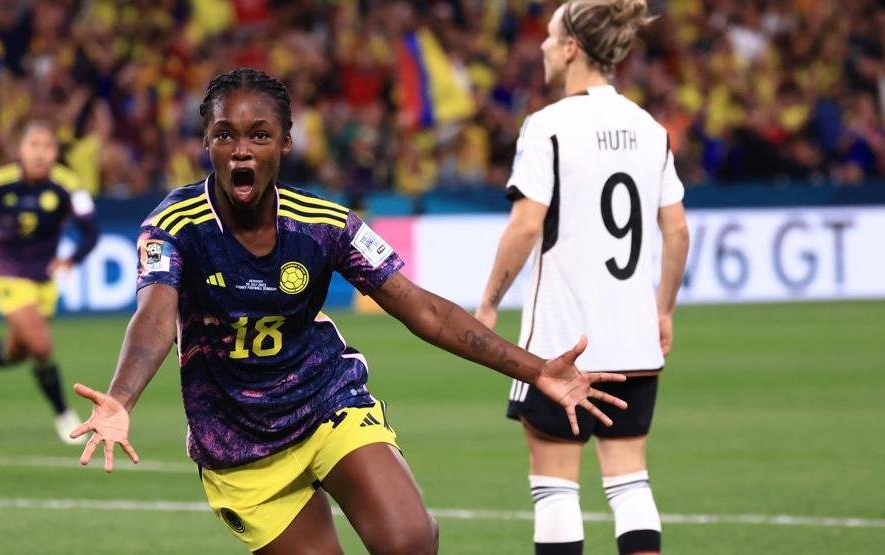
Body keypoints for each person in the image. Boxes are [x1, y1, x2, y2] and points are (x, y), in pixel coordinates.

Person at [67, 68, 630, 555]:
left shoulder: (324, 223)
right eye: (225, 135)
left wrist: (536, 370)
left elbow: (422, 310)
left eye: (259, 135)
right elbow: (156, 318)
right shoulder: (174, 226)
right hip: (237, 442)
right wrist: (121, 398)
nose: (242, 150)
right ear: (206, 143)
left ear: (285, 143)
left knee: (411, 540)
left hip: (325, 404)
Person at [475, 2, 690, 554]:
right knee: (630, 483)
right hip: (634, 340)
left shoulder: (547, 127)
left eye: (550, 38)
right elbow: (678, 231)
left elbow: (525, 227)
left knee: (554, 489)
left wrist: (489, 303)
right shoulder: (650, 128)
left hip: (561, 345)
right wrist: (662, 309)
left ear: (571, 48)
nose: (542, 47)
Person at [0, 121, 100, 445]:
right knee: (42, 347)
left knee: (18, 351)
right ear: (21, 150)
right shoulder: (0, 180)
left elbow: (91, 232)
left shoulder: (67, 185)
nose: (41, 154)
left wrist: (71, 260)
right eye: (34, 146)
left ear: (56, 153)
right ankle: (63, 415)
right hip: (7, 273)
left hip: (44, 279)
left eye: (47, 147)